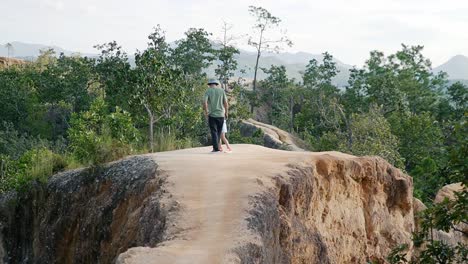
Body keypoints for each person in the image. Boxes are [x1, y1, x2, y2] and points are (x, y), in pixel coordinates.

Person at [203, 79, 228, 153]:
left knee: (214, 132)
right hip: (221, 115)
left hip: (212, 115)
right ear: (216, 84)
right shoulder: (221, 91)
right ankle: (218, 147)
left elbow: (205, 102)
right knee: (219, 132)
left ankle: (216, 148)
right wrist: (226, 112)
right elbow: (226, 102)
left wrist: (206, 111)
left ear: (209, 84)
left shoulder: (208, 91)